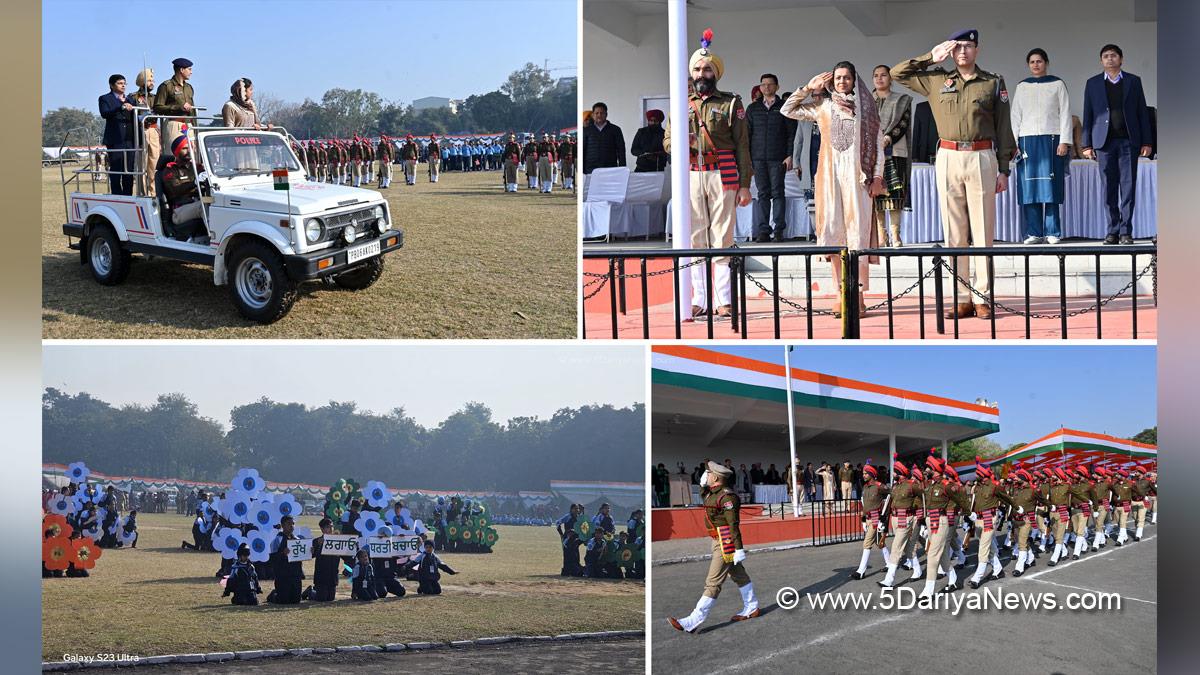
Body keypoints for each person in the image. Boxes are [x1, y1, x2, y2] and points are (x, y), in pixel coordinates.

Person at [891, 29, 1016, 320]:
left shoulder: (993, 82)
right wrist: (930, 57)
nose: (962, 52)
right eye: (957, 47)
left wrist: (1004, 168)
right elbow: (898, 73)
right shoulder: (936, 80)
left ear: (977, 50)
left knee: (984, 232)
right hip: (948, 155)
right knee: (954, 232)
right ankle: (961, 297)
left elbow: (1003, 127)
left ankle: (983, 296)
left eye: (968, 46)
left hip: (982, 156)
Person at [782, 63, 884, 317]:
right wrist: (808, 87)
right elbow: (787, 110)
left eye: (846, 77)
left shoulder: (866, 110)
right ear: (831, 82)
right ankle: (841, 294)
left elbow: (879, 145)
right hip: (829, 180)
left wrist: (878, 177)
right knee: (834, 236)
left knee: (857, 237)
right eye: (838, 78)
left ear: (854, 80)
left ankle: (857, 294)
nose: (842, 82)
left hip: (858, 180)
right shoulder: (823, 107)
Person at [664, 28, 753, 318]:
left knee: (722, 237)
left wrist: (745, 185)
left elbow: (742, 145)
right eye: (697, 69)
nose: (702, 73)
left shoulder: (730, 103)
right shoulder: (681, 102)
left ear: (716, 73)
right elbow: (666, 141)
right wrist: (680, 143)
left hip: (723, 172)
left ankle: (723, 300)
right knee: (696, 238)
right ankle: (700, 300)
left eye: (707, 69)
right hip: (691, 172)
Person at [667, 461, 759, 632]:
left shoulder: (727, 497)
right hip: (717, 540)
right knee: (738, 575)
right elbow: (708, 501)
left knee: (713, 582)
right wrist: (702, 486)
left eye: (708, 474)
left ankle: (694, 619)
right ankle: (752, 606)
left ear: (716, 477)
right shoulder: (713, 494)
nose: (705, 476)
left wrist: (739, 548)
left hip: (725, 542)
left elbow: (733, 525)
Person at [1081, 44, 1152, 245]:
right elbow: (1088, 115)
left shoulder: (1133, 81)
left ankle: (1125, 232)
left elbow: (1142, 113)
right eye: (1105, 56)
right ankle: (1112, 231)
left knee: (1128, 188)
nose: (1110, 59)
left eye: (1113, 55)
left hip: (1128, 142)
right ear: (1101, 61)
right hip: (1103, 144)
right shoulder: (1093, 83)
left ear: (1121, 59)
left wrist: (1147, 141)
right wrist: (1086, 144)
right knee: (1108, 188)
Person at [1010, 49, 1071, 245]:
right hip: (1027, 141)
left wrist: (1064, 141)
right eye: (1032, 62)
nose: (1036, 65)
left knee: (1051, 187)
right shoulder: (1022, 87)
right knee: (1030, 188)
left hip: (1051, 140)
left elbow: (1065, 113)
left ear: (1046, 63)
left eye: (1039, 61)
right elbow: (1015, 116)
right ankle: (1034, 233)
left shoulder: (1057, 84)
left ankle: (1053, 232)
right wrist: (1014, 143)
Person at [746, 73, 797, 243]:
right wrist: (748, 159)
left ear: (777, 87)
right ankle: (763, 231)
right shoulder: (753, 108)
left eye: (770, 84)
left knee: (778, 193)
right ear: (760, 87)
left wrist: (789, 155)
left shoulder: (784, 107)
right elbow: (747, 134)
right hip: (758, 158)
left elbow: (791, 134)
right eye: (763, 84)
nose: (766, 87)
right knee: (762, 194)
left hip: (778, 158)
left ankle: (779, 230)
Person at [872, 65, 912, 248]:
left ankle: (896, 234)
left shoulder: (902, 100)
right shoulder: (865, 102)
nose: (879, 79)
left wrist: (887, 138)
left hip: (895, 151)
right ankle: (882, 235)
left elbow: (902, 124)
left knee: (895, 193)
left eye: (883, 75)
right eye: (876, 76)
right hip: (871, 154)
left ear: (891, 79)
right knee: (875, 194)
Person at [966, 461, 1015, 587]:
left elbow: (1007, 499)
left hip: (989, 517)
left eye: (978, 473)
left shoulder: (995, 486)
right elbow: (973, 502)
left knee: (983, 547)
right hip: (977, 519)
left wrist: (1016, 509)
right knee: (989, 545)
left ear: (983, 474)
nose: (975, 475)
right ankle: (998, 570)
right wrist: (970, 514)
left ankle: (977, 577)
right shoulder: (976, 486)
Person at [159, 134, 208, 243]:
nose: (189, 151)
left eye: (190, 147)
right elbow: (175, 190)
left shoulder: (196, 167)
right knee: (203, 207)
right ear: (176, 151)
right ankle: (215, 240)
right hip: (179, 210)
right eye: (185, 148)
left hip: (196, 203)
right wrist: (194, 183)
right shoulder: (170, 170)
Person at [851, 464, 890, 580]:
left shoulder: (879, 486)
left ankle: (861, 570)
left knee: (867, 543)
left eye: (865, 473)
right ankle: (889, 563)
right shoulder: (865, 487)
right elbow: (865, 505)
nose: (863, 475)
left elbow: (890, 498)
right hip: (867, 518)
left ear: (872, 474)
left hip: (876, 519)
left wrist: (884, 516)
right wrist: (863, 519)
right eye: (863, 473)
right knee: (879, 542)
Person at [98, 74, 135, 196]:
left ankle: (128, 197)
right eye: (120, 83)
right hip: (115, 140)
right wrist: (121, 107)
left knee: (129, 171)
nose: (123, 85)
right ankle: (117, 197)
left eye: (124, 83)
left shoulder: (131, 99)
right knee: (116, 170)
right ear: (111, 85)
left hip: (129, 140)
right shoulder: (105, 98)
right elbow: (105, 113)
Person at [153, 58, 196, 155]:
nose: (191, 72)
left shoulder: (189, 88)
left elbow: (192, 110)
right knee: (173, 155)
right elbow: (157, 107)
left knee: (191, 155)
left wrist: (195, 128)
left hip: (188, 125)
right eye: (189, 69)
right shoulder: (166, 86)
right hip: (173, 124)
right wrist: (178, 107)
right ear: (181, 70)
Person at [128, 69, 158, 198]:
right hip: (141, 130)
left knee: (154, 163)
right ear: (142, 81)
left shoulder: (155, 98)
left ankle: (153, 191)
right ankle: (142, 192)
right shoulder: (133, 96)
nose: (152, 83)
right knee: (142, 164)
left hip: (154, 129)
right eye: (149, 80)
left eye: (153, 80)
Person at [266, 515, 305, 604]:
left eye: (293, 524)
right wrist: (282, 554)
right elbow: (272, 559)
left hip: (295, 576)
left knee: (296, 601)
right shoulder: (277, 540)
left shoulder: (297, 539)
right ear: (283, 525)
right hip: (283, 576)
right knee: (283, 601)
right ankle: (273, 595)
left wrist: (309, 551)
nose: (292, 526)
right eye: (289, 524)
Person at [582, 102, 626, 174]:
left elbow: (621, 151)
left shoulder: (615, 130)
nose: (599, 115)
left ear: (606, 114)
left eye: (602, 113)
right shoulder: (586, 130)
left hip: (610, 169)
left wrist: (622, 169)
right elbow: (582, 151)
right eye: (597, 113)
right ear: (593, 115)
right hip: (591, 170)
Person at [302, 517, 339, 601]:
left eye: (332, 526)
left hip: (332, 576)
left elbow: (346, 555)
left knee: (330, 599)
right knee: (321, 599)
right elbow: (310, 555)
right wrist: (317, 546)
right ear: (322, 529)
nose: (331, 529)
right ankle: (310, 591)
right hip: (321, 576)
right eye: (328, 527)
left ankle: (313, 591)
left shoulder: (338, 541)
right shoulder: (316, 541)